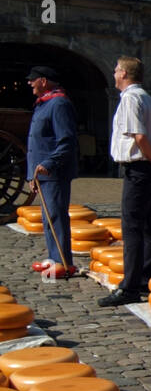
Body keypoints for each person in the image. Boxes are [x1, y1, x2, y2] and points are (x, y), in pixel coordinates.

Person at [100, 56, 151, 307]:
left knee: (131, 227)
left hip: (140, 168)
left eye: (115, 70)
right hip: (148, 169)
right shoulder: (147, 98)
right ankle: (145, 278)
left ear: (124, 73)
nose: (113, 74)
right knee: (146, 224)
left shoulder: (131, 99)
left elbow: (141, 137)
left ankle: (130, 287)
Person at [24, 66, 79, 279]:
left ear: (44, 81)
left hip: (54, 171)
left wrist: (49, 162)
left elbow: (66, 140)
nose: (30, 83)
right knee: (48, 217)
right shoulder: (44, 104)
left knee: (56, 216)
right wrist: (32, 174)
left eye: (33, 80)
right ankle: (54, 258)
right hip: (42, 172)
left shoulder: (59, 104)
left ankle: (63, 263)